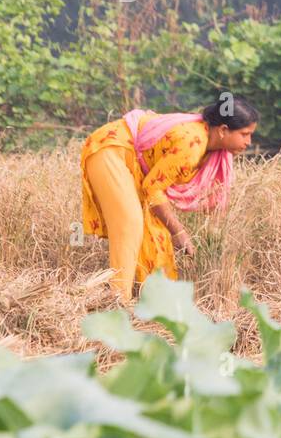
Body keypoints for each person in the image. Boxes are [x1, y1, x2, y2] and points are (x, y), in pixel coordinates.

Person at [79, 96, 258, 304]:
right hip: (111, 151)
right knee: (130, 224)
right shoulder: (192, 144)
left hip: (135, 165)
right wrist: (179, 232)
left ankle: (157, 304)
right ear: (223, 130)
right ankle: (117, 302)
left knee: (157, 236)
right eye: (245, 134)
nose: (249, 142)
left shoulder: (211, 145)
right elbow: (153, 188)